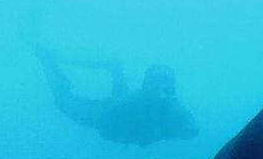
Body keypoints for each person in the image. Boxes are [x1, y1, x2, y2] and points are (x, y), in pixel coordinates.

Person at [36, 47, 198, 146]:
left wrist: (162, 133)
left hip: (124, 114)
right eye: (156, 86)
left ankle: (52, 58)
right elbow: (107, 130)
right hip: (107, 114)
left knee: (114, 65)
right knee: (64, 101)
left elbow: (190, 129)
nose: (161, 93)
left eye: (167, 88)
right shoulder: (131, 101)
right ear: (146, 86)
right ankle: (49, 59)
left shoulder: (175, 108)